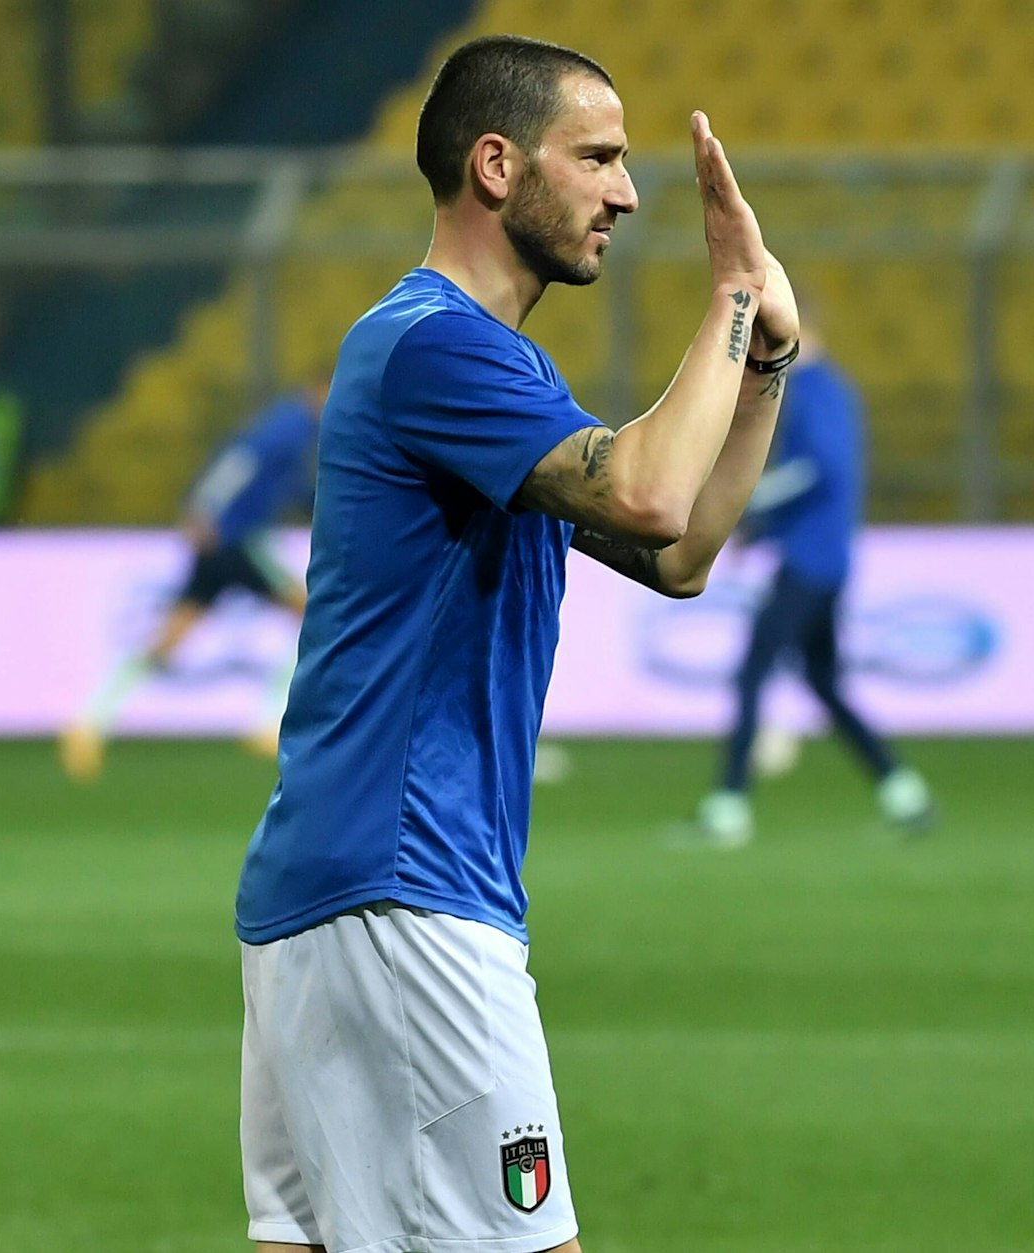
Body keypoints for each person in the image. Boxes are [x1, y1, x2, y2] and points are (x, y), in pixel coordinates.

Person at [233, 35, 797, 1253]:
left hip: (337, 893)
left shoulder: (471, 361)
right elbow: (650, 491)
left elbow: (678, 554)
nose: (626, 192)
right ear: (495, 164)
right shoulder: (434, 344)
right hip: (405, 890)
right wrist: (734, 293)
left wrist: (762, 364)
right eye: (595, 156)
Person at [693, 314, 932, 847]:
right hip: (827, 558)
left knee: (754, 672)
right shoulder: (834, 390)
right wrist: (766, 525)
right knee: (824, 683)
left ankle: (728, 805)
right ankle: (904, 791)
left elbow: (815, 468)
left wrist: (749, 506)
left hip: (809, 561)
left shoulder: (815, 390)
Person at [58, 376, 325, 781]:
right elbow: (240, 461)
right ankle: (268, 722)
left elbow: (285, 486)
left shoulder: (293, 425)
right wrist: (204, 508)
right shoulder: (289, 426)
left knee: (171, 637)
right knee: (313, 616)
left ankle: (89, 721)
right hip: (236, 540)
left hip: (223, 542)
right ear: (319, 389)